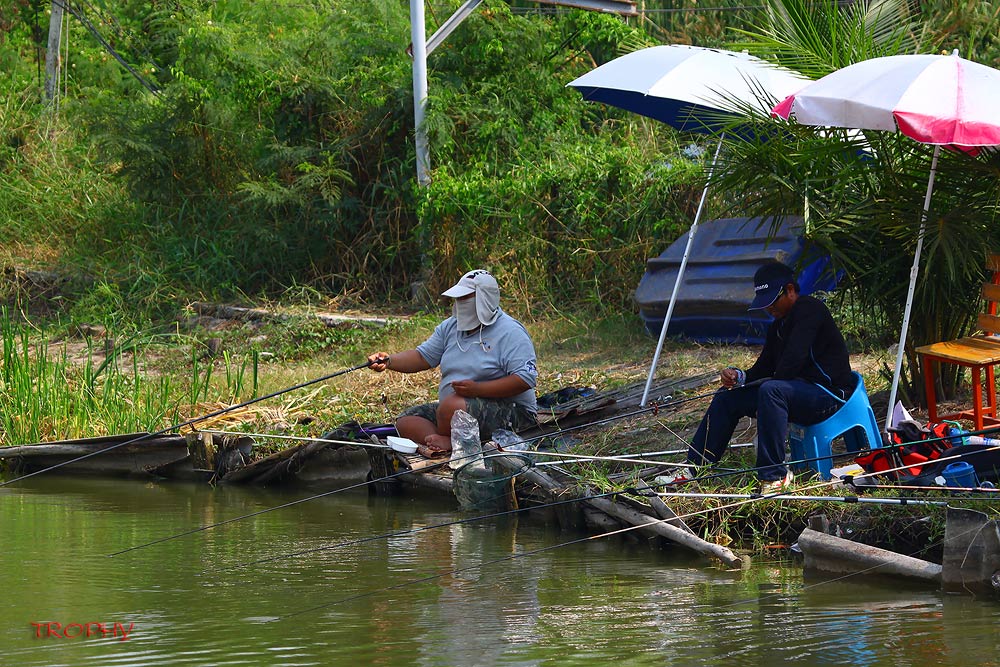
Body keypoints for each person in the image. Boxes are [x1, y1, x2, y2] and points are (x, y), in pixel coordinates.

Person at [685, 262, 854, 490]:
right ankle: (695, 467)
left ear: (791, 290)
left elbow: (791, 363)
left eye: (773, 300)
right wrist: (739, 377)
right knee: (728, 397)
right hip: (796, 393)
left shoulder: (810, 310)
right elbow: (763, 368)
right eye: (765, 303)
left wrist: (763, 385)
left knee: (771, 391)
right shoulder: (778, 325)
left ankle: (774, 476)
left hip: (828, 395)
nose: (769, 308)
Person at [368, 269, 538, 456]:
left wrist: (478, 390)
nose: (459, 304)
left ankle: (450, 438)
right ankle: (444, 440)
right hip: (454, 410)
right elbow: (422, 357)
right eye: (458, 299)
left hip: (513, 412)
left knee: (451, 408)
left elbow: (525, 379)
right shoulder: (451, 327)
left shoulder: (510, 332)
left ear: (485, 299)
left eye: (465, 298)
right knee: (406, 420)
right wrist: (389, 360)